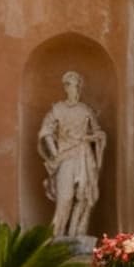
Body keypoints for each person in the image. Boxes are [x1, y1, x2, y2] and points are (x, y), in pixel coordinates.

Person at [37, 68, 106, 241]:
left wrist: (90, 137)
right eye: (68, 85)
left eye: (75, 85)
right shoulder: (58, 109)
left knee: (83, 196)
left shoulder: (85, 110)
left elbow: (98, 132)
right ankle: (56, 235)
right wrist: (54, 153)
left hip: (83, 155)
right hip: (65, 157)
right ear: (65, 87)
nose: (72, 89)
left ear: (79, 88)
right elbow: (45, 131)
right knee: (65, 197)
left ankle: (76, 234)